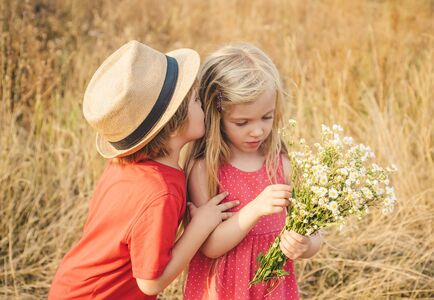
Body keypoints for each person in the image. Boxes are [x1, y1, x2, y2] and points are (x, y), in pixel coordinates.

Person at [48, 40, 238, 299]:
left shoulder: (125, 167)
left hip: (72, 286)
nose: (202, 105)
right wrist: (201, 225)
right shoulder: (159, 193)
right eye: (195, 100)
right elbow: (151, 282)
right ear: (172, 126)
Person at [183, 43, 322, 299]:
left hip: (272, 287)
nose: (257, 131)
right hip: (226, 289)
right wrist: (255, 209)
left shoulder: (280, 162)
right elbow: (210, 246)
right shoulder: (206, 170)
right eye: (242, 122)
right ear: (216, 114)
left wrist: (307, 244)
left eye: (266, 117)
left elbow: (313, 228)